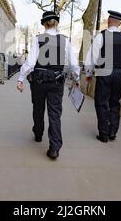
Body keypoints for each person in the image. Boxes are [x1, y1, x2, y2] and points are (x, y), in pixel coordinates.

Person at [17, 11, 80, 159]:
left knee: (38, 109)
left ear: (44, 24)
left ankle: (38, 134)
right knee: (55, 114)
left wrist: (21, 78)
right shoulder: (65, 40)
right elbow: (74, 63)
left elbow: (31, 62)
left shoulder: (38, 39)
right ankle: (54, 148)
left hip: (38, 81)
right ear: (56, 24)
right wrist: (77, 80)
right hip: (57, 82)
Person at [84, 10, 121, 143]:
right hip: (119, 73)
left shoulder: (101, 36)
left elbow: (92, 56)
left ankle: (103, 134)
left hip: (104, 72)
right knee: (114, 102)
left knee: (101, 102)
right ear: (119, 23)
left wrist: (89, 73)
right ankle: (112, 131)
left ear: (108, 21)